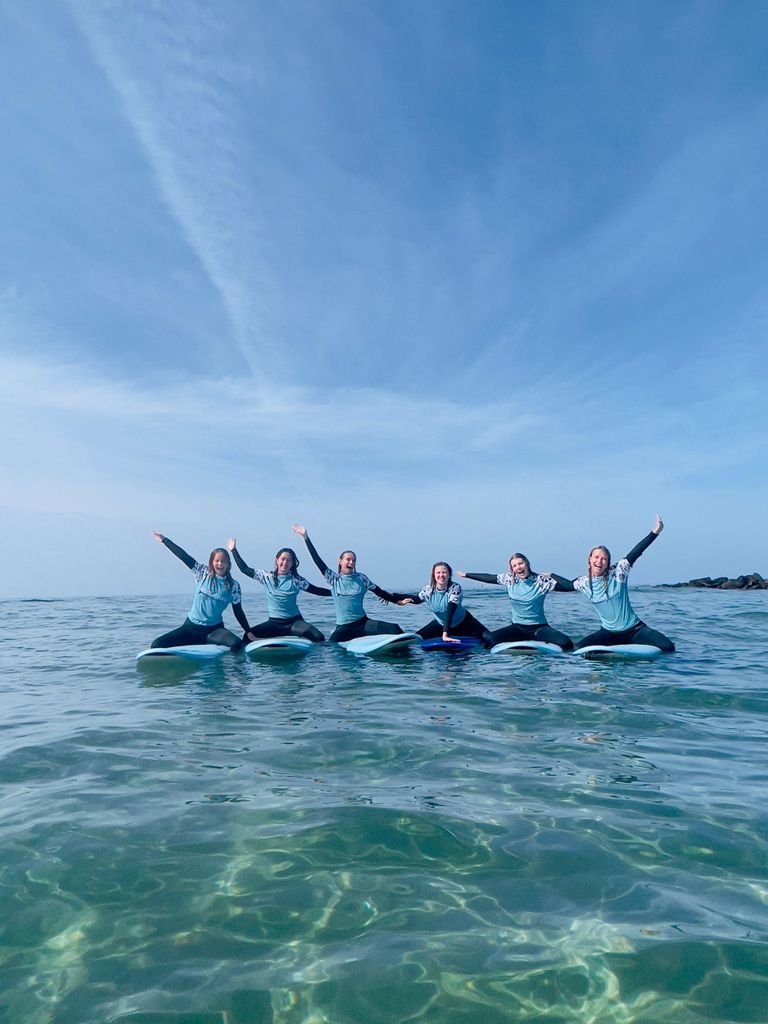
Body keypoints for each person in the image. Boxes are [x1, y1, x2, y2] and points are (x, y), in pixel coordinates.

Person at [571, 515, 675, 652]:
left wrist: (656, 531)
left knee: (668, 648)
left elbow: (636, 552)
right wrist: (547, 576)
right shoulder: (583, 583)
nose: (599, 561)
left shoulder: (618, 572)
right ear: (590, 559)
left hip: (634, 630)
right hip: (608, 633)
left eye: (604, 559)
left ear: (608, 562)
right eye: (596, 557)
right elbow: (565, 585)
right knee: (578, 648)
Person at [291, 524, 403, 642]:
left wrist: (396, 601)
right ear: (340, 562)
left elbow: (378, 591)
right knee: (331, 643)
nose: (351, 562)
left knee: (395, 629)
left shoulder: (361, 579)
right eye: (348, 559)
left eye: (353, 560)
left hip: (363, 623)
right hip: (345, 627)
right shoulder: (334, 579)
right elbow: (317, 560)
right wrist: (306, 537)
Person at [150, 531, 250, 649]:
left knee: (236, 644)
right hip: (191, 628)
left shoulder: (234, 586)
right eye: (217, 561)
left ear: (228, 564)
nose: (220, 564)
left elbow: (238, 612)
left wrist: (249, 632)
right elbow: (184, 556)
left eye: (223, 561)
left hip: (214, 631)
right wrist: (164, 540)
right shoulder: (202, 573)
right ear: (212, 563)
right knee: (157, 645)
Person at [458, 554, 574, 650]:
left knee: (566, 643)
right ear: (512, 569)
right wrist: (467, 575)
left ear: (527, 563)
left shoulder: (541, 581)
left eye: (520, 563)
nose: (518, 567)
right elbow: (489, 578)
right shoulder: (510, 579)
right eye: (514, 565)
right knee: (490, 640)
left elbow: (569, 587)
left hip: (540, 629)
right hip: (518, 628)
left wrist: (552, 575)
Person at [226, 538, 329, 642]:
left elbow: (317, 590)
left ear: (293, 563)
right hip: (274, 624)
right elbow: (244, 569)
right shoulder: (266, 577)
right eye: (283, 559)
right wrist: (233, 550)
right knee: (247, 637)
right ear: (277, 560)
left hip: (294, 623)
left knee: (319, 637)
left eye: (289, 560)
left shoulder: (297, 580)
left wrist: (335, 592)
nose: (285, 562)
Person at [393, 562, 491, 644]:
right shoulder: (428, 590)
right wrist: (392, 596)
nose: (441, 575)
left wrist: (445, 633)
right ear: (434, 575)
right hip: (441, 624)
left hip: (465, 623)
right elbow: (416, 599)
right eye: (438, 572)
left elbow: (450, 609)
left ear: (449, 575)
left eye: (444, 572)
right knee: (416, 639)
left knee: (490, 639)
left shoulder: (455, 588)